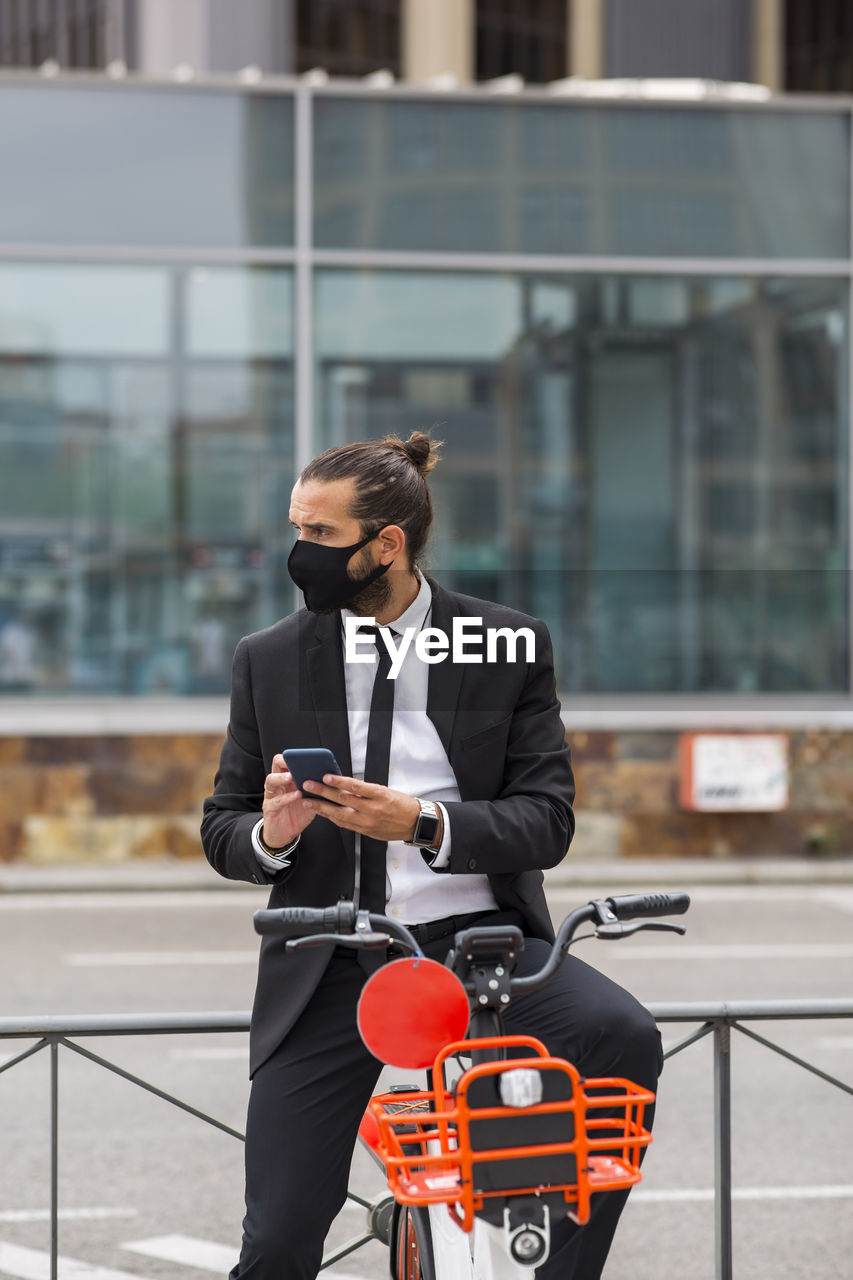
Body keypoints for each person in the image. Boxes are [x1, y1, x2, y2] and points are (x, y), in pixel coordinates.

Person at [201, 431, 662, 1280]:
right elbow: (221, 828)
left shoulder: (507, 645)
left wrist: (421, 822)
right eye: (295, 529)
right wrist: (273, 834)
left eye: (321, 536)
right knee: (277, 1244)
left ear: (387, 546)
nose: (300, 553)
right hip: (328, 959)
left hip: (478, 949)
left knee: (621, 1035)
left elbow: (544, 821)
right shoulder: (266, 658)